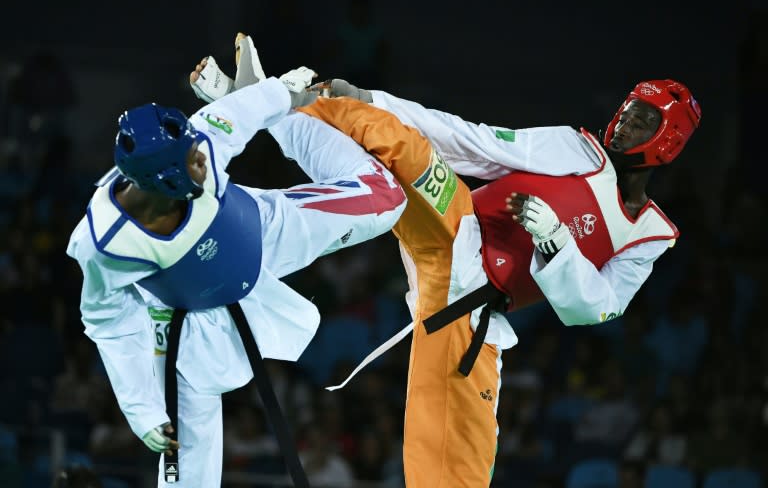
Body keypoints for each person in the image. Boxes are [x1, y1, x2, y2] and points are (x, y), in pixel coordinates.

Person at [295, 77, 702, 487]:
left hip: (472, 315)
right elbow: (473, 142)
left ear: (668, 141)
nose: (623, 125)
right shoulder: (574, 148)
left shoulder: (650, 234)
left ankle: (286, 113)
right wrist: (371, 98)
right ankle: (280, 104)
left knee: (464, 465)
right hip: (456, 230)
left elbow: (596, 308)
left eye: (642, 122)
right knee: (402, 148)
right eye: (625, 113)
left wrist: (557, 242)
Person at [66, 35, 406, 488]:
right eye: (192, 161)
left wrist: (283, 93)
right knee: (187, 469)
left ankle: (277, 116)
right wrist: (141, 409)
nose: (202, 159)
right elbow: (108, 320)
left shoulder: (201, 137)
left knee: (388, 197)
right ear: (163, 178)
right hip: (186, 316)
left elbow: (256, 104)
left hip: (257, 230)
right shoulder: (104, 244)